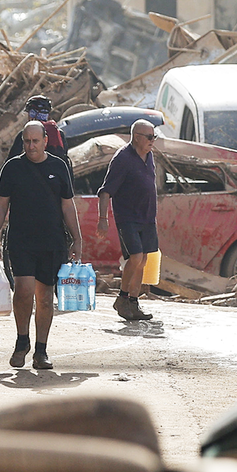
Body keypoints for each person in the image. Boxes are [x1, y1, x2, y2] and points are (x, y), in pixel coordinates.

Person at [0, 121, 83, 370]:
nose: (31, 146)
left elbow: (67, 205)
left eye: (35, 141)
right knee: (23, 291)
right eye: (27, 142)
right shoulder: (12, 167)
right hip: (21, 240)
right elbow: (1, 205)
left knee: (45, 298)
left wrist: (77, 239)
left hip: (52, 241)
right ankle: (22, 341)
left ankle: (41, 351)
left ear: (45, 141)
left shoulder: (59, 167)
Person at [98, 119, 159, 322]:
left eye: (154, 136)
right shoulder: (123, 158)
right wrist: (103, 219)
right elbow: (105, 191)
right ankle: (122, 298)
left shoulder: (149, 156)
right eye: (149, 137)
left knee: (143, 260)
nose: (152, 140)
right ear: (137, 137)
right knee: (135, 256)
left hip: (147, 216)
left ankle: (133, 302)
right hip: (128, 217)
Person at [8, 95, 68, 164]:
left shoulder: (25, 134)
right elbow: (64, 159)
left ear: (32, 114)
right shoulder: (58, 133)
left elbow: (10, 162)